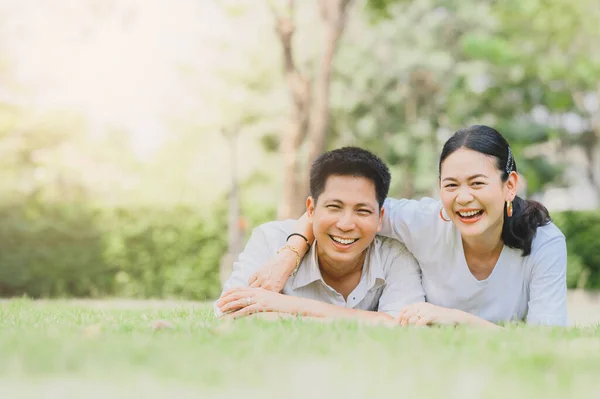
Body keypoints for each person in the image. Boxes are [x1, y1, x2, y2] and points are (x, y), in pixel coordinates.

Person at [249, 125, 567, 327]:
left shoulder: (544, 243)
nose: (464, 198)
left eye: (478, 183)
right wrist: (288, 256)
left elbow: (543, 340)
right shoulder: (421, 221)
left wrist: (457, 320)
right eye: (452, 185)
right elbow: (338, 210)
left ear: (509, 185)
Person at [216, 147, 424, 323]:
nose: (345, 224)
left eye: (362, 211)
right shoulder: (271, 240)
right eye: (334, 207)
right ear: (311, 209)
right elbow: (227, 311)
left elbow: (402, 326)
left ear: (380, 218)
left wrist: (287, 306)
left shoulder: (396, 254)